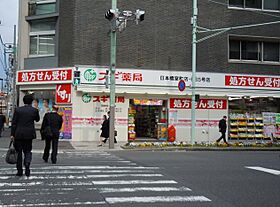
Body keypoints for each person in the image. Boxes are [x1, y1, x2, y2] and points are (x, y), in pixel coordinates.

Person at [11, 94, 40, 176]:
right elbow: (37, 120)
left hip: (18, 134)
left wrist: (12, 134)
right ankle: (27, 165)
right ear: (31, 102)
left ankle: (19, 170)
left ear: (24, 101)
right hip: (29, 134)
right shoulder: (34, 110)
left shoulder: (18, 110)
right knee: (27, 151)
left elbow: (14, 123)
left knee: (19, 152)